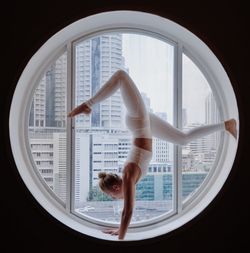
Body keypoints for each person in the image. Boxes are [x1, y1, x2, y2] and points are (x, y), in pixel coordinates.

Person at [68, 70, 237, 240]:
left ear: (116, 188)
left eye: (112, 196)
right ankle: (227, 125)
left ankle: (87, 104)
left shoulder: (127, 176)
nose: (115, 199)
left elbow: (128, 210)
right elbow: (127, 211)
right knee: (183, 139)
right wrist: (120, 229)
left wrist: (121, 237)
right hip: (142, 126)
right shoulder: (129, 178)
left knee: (121, 76)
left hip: (139, 121)